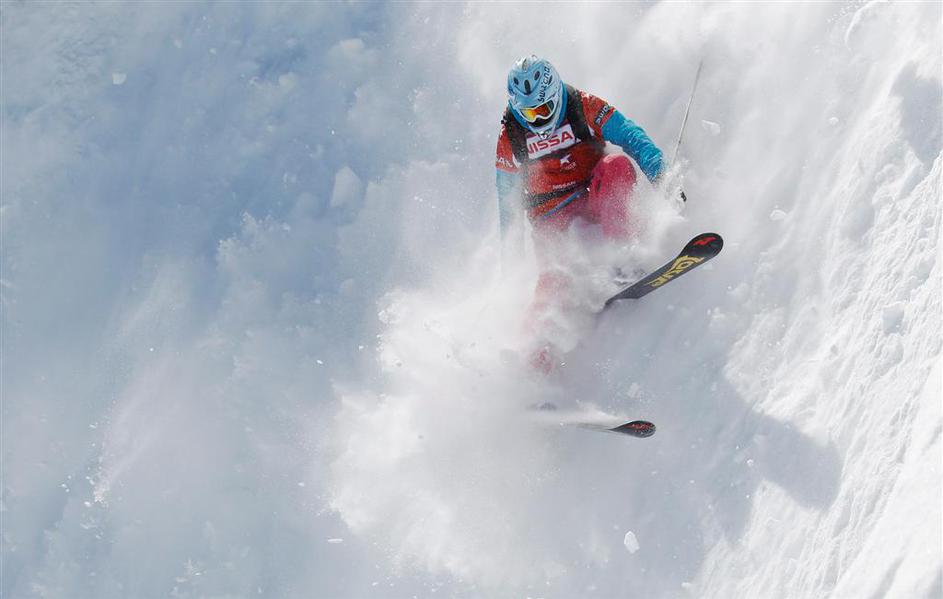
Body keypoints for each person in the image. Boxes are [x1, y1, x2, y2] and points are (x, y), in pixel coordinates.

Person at [495, 55, 668, 373]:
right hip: (550, 216)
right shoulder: (512, 137)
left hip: (592, 193)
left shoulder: (582, 106)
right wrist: (510, 264)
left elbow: (629, 134)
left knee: (617, 166)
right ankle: (531, 362)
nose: (537, 120)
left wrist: (660, 174)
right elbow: (506, 203)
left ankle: (623, 261)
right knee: (554, 282)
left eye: (542, 110)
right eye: (528, 113)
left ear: (555, 95)